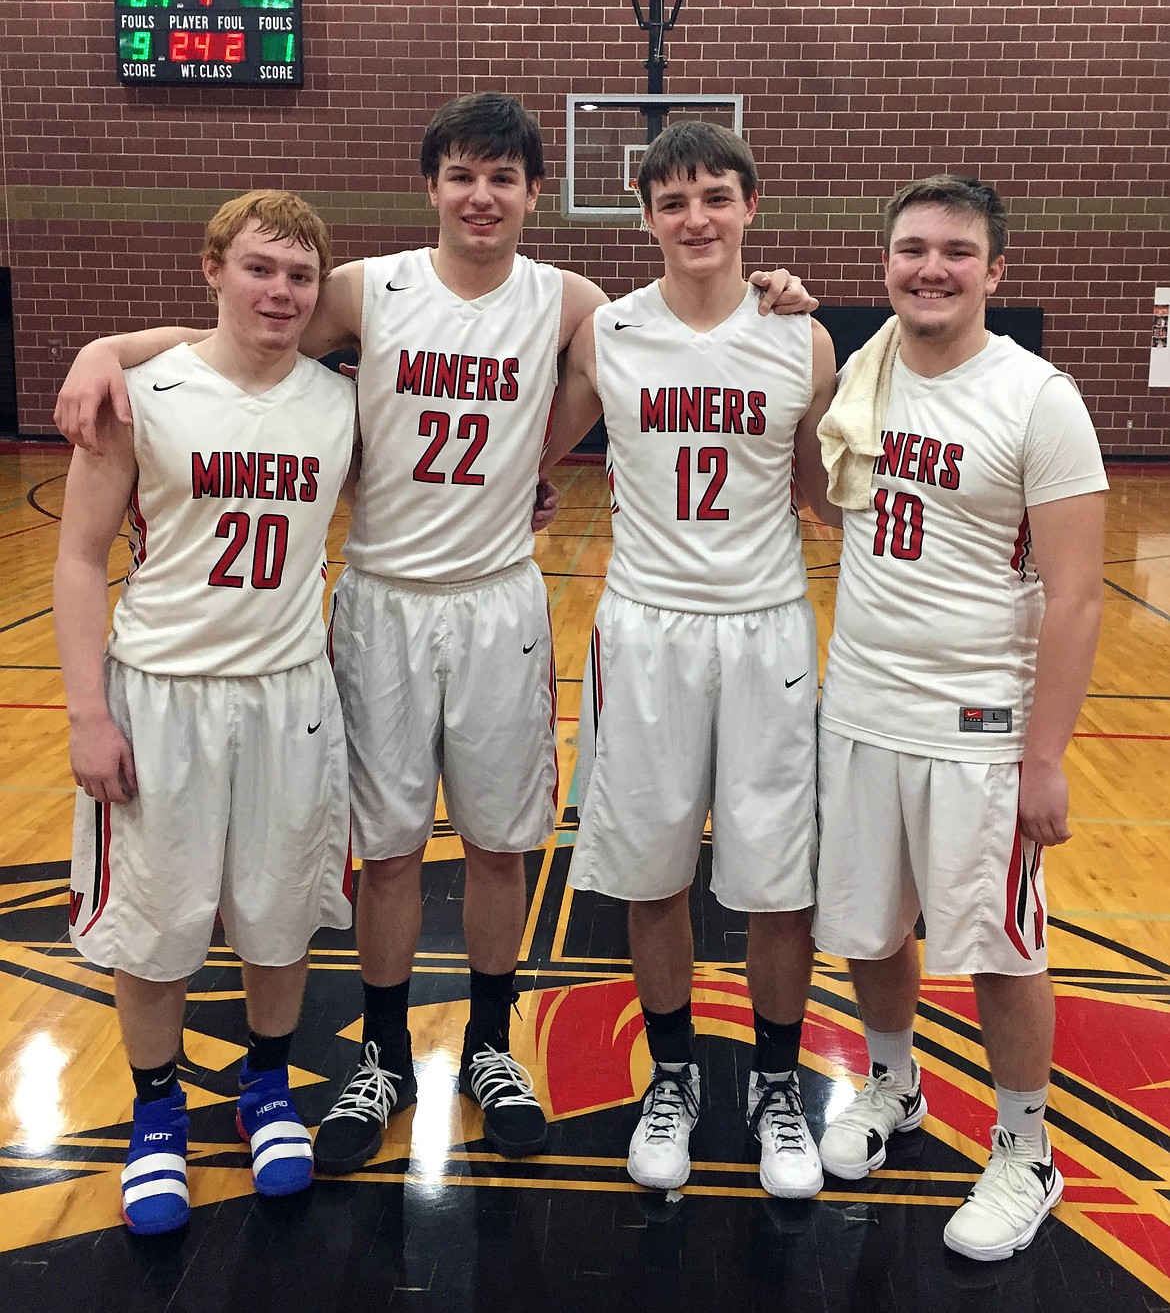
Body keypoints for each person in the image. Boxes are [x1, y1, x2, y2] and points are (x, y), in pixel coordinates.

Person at [53, 92, 815, 1172]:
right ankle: (382, 1053)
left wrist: (772, 292)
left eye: (504, 178)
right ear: (433, 187)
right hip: (382, 601)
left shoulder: (572, 303)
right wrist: (108, 345)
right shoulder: (370, 288)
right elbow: (240, 338)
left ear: (535, 194)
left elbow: (679, 337)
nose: (482, 195)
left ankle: (495, 1045)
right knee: (393, 848)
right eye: (462, 174)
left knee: (503, 842)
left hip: (501, 598)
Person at [541, 121, 838, 1198]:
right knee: (653, 868)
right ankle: (672, 1076)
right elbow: (530, 446)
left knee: (776, 881)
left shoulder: (800, 338)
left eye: (715, 195)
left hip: (766, 627)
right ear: (646, 215)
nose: (696, 217)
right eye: (673, 202)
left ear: (750, 205)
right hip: (648, 628)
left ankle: (773, 1083)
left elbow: (822, 487)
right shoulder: (608, 332)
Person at [812, 174, 1107, 1260]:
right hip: (862, 703)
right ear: (885, 259)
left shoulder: (1039, 397)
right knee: (870, 920)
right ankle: (895, 1084)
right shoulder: (864, 368)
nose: (930, 267)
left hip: (980, 724)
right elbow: (824, 493)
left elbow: (1077, 593)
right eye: (911, 248)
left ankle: (1027, 1147)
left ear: (996, 269)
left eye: (955, 250)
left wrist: (1047, 756)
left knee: (1000, 949)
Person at [54, 190, 357, 1234]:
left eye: (300, 274)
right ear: (213, 269)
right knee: (155, 923)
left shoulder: (339, 398)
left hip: (290, 696)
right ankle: (155, 1112)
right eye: (261, 267)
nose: (281, 290)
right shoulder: (145, 392)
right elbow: (80, 555)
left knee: (280, 911)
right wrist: (87, 713)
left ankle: (267, 1087)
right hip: (162, 694)